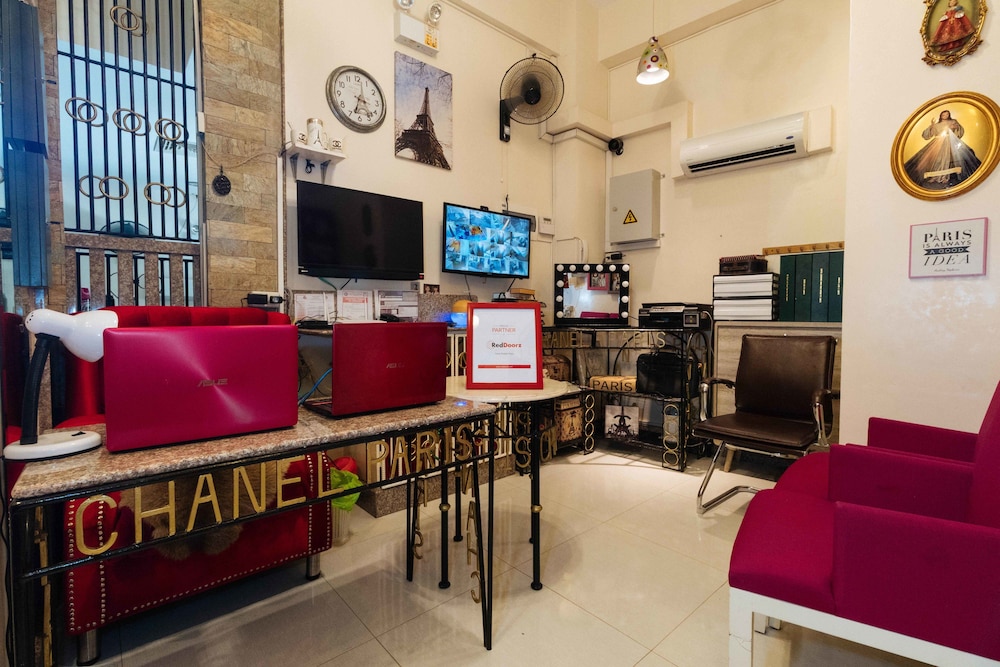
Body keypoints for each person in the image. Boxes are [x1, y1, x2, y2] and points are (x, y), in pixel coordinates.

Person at [903, 109, 982, 189]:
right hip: (938, 144)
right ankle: (936, 177)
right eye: (944, 115)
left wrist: (955, 127)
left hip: (950, 142)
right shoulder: (937, 125)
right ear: (941, 115)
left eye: (947, 114)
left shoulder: (953, 121)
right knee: (937, 160)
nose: (945, 116)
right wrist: (932, 126)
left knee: (950, 159)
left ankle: (945, 177)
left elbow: (959, 131)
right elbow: (927, 135)